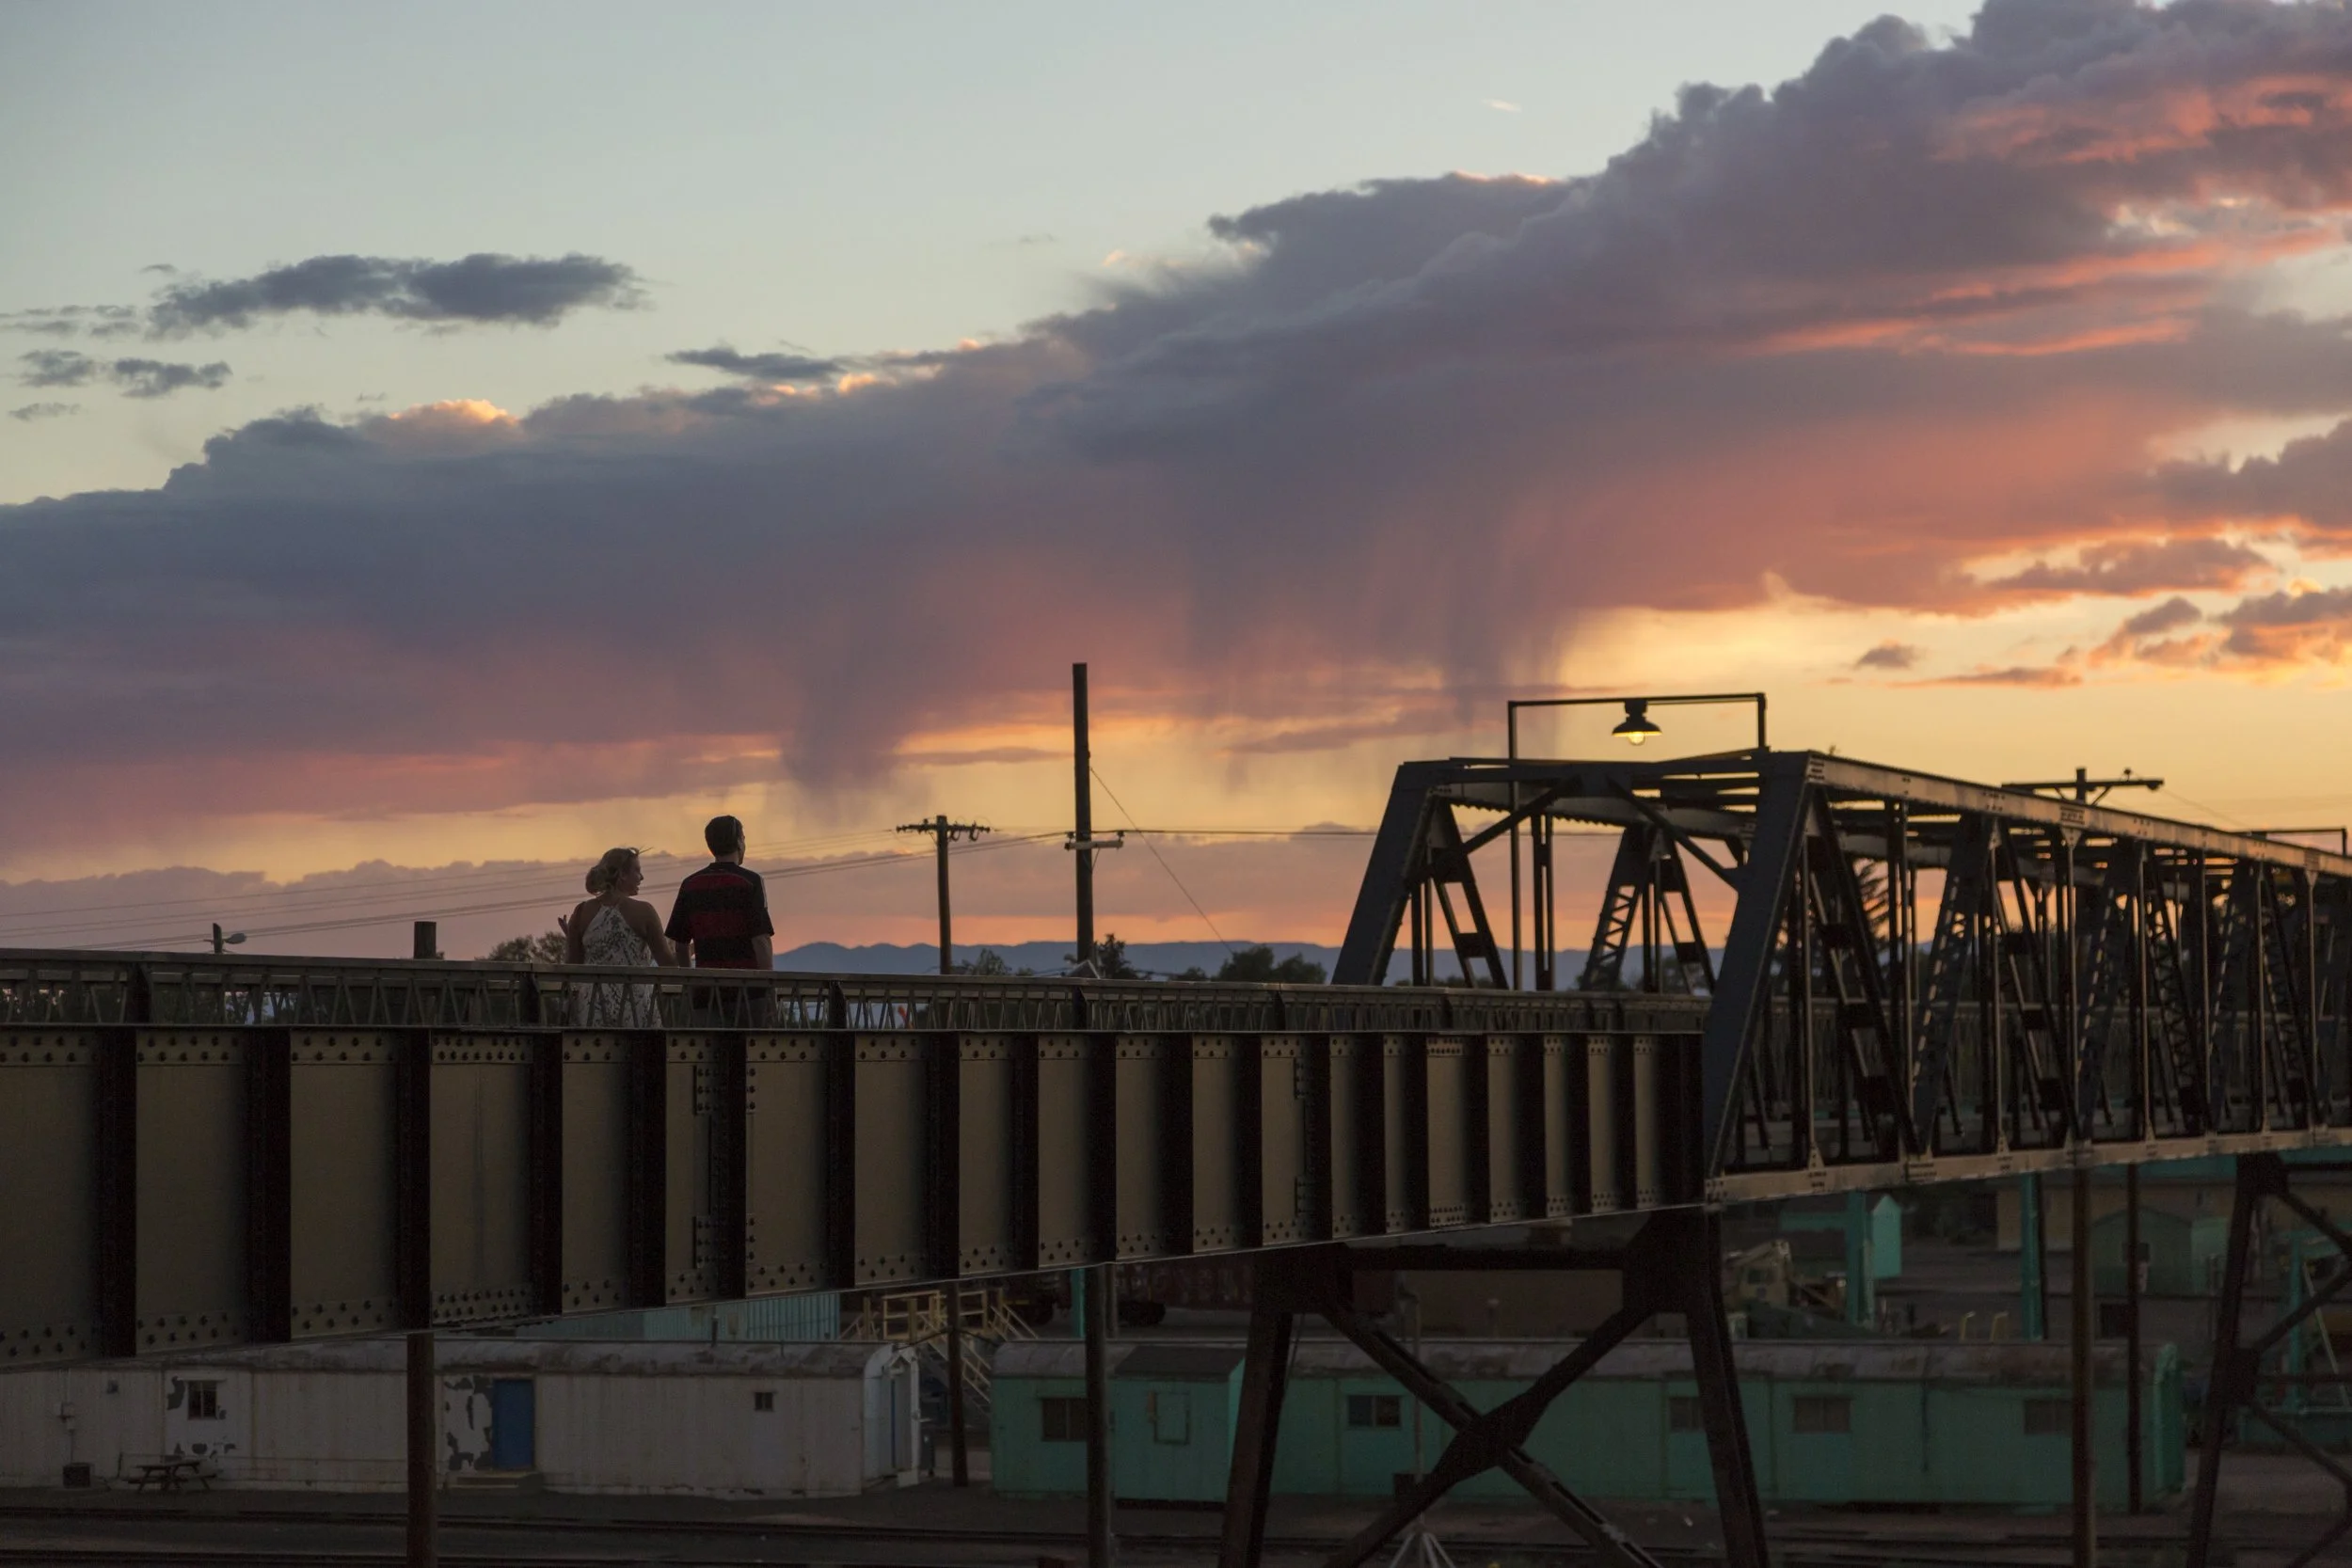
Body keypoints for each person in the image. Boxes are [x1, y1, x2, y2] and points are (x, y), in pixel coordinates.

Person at [562, 847, 675, 1025]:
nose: (641, 878)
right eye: (637, 871)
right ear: (622, 874)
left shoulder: (582, 911)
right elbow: (668, 964)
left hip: (592, 1008)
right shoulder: (644, 911)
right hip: (636, 1007)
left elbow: (572, 966)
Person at [666, 815, 774, 969]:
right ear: (738, 842)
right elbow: (761, 939)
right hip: (745, 987)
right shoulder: (750, 882)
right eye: (743, 838)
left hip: (706, 987)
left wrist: (690, 981)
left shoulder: (690, 884)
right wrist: (768, 986)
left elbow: (681, 945)